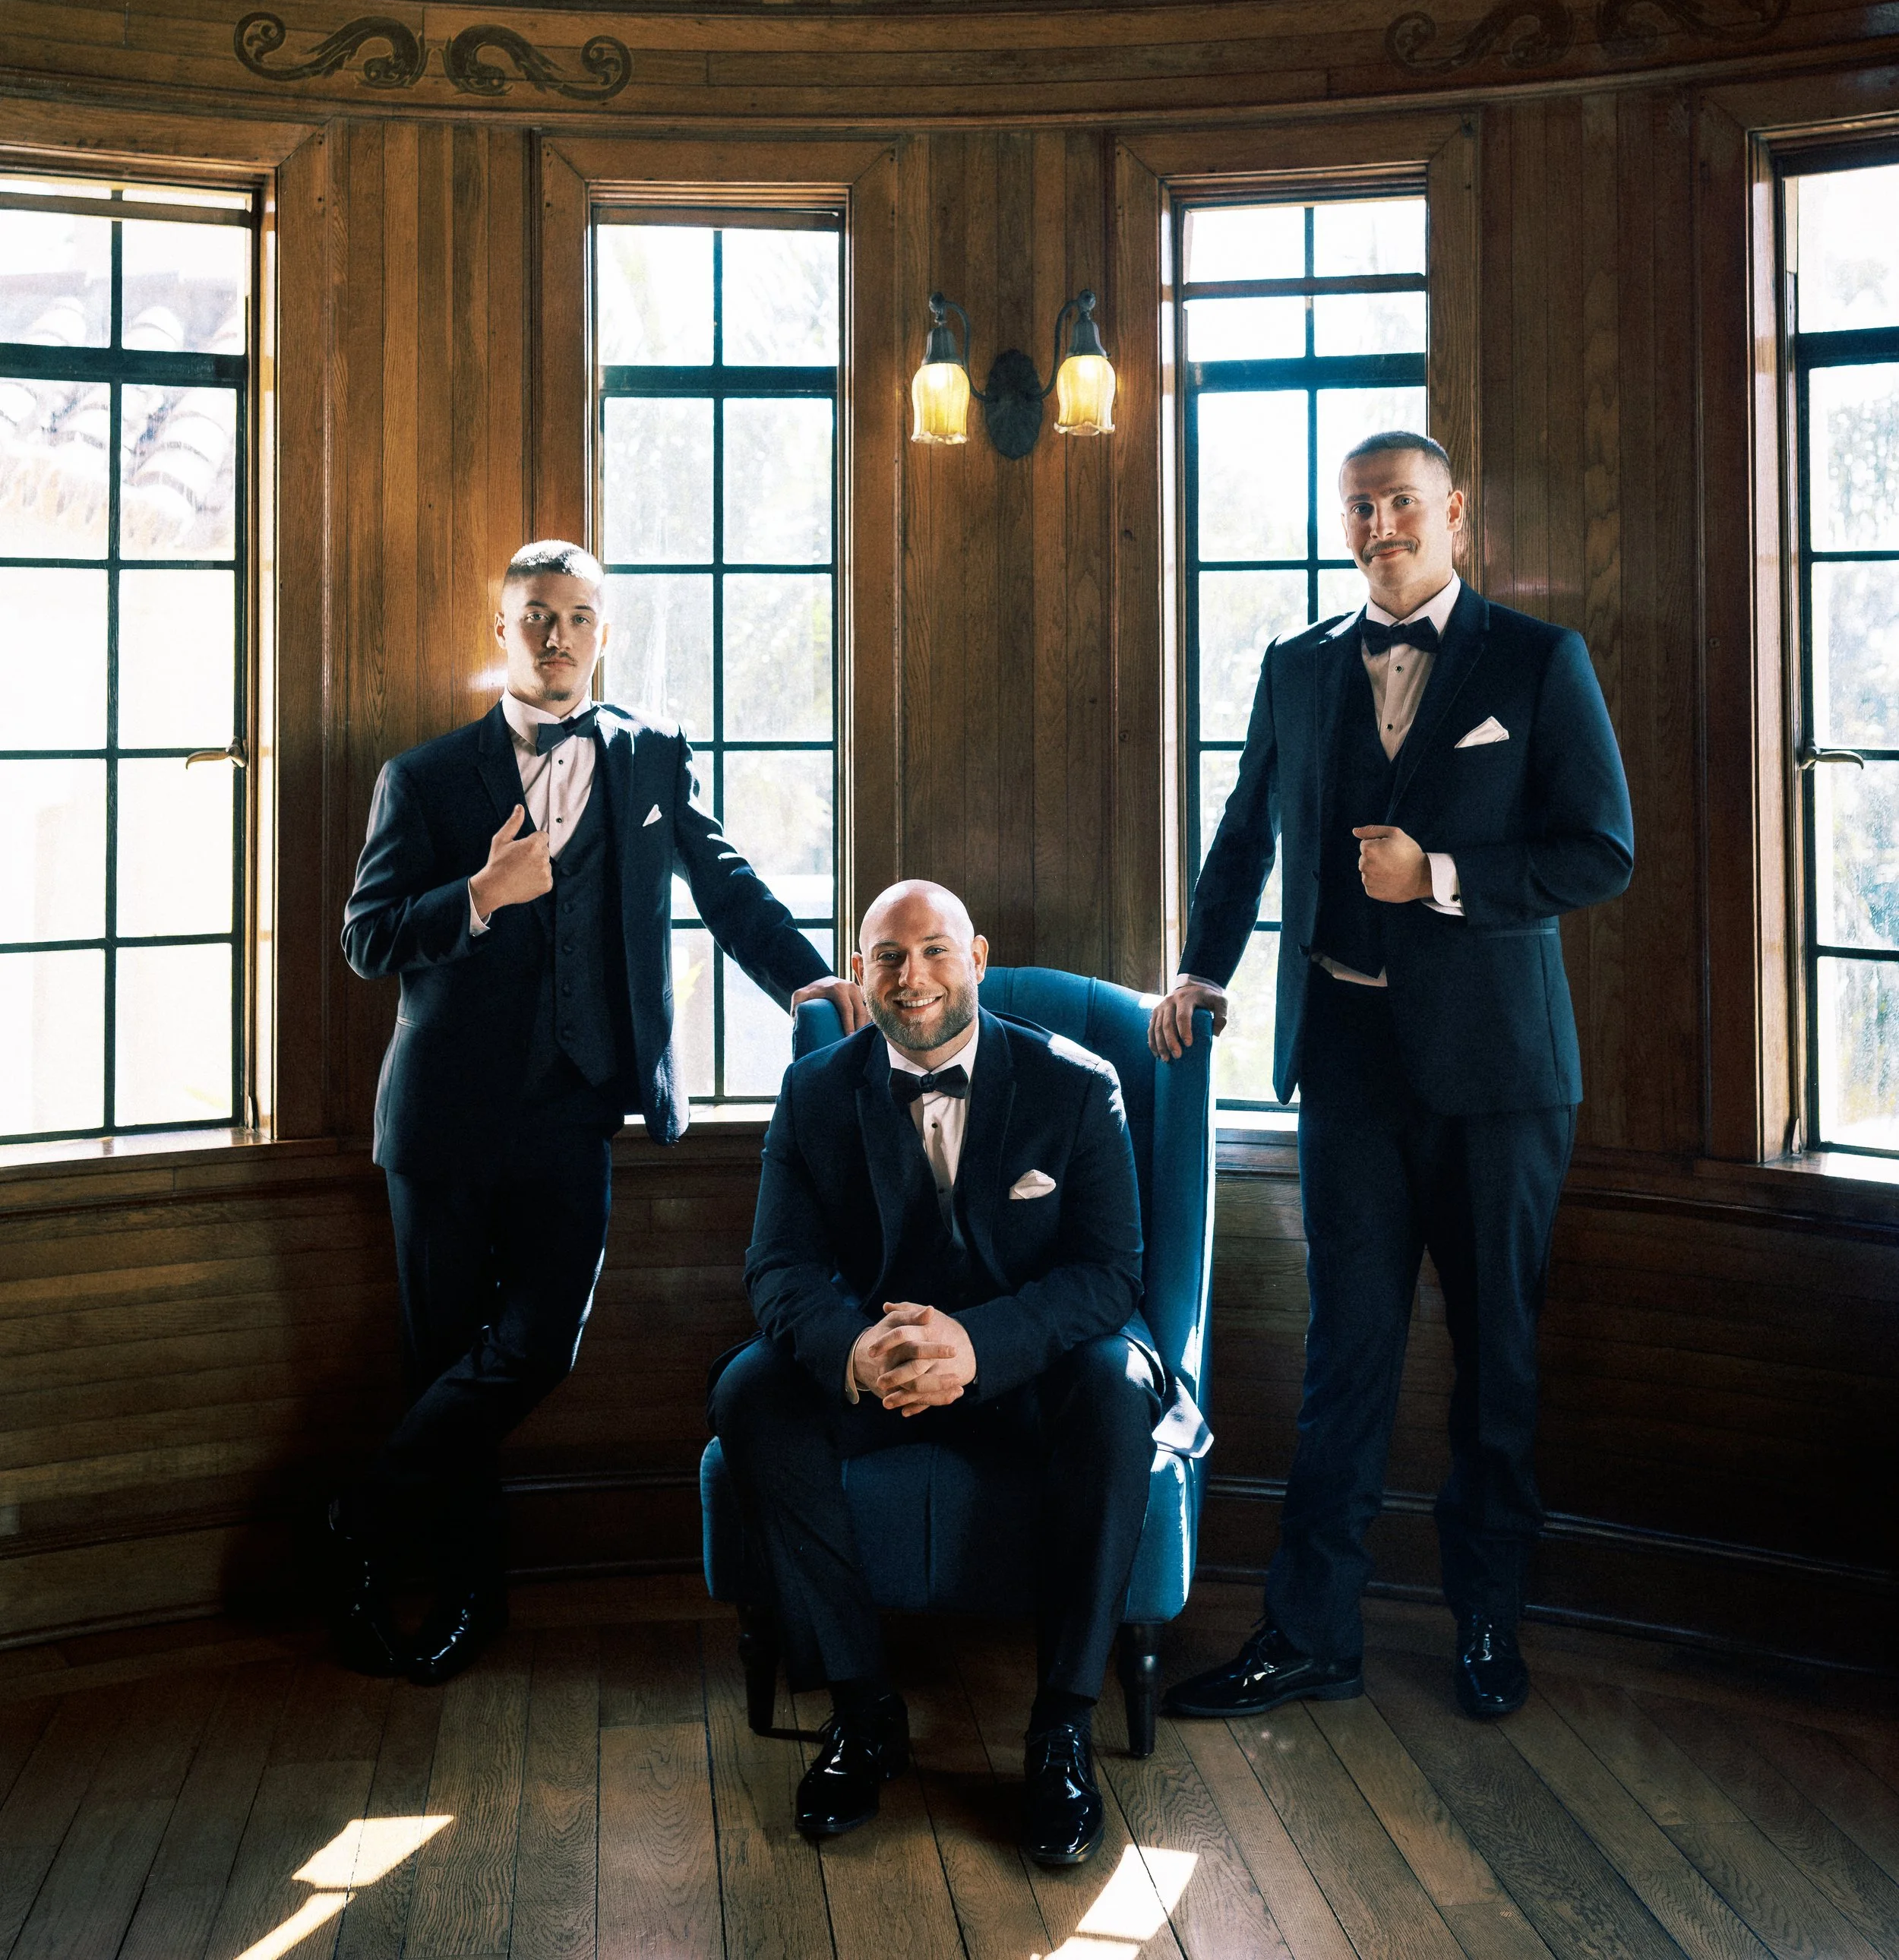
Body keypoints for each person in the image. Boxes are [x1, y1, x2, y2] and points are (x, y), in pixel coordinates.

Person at [1151, 432, 1632, 1724]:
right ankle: (1309, 1635)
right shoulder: (1297, 666)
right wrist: (1199, 970)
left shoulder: (1538, 662)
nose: (1382, 526)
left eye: (1403, 504)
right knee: (1344, 1356)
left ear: (1454, 514)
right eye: (1361, 507)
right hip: (1349, 1066)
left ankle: (1488, 1626)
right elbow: (1245, 831)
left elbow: (1601, 852)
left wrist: (1446, 880)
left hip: (1501, 1079)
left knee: (1498, 1358)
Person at [335, 537, 865, 1685]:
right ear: (503, 632)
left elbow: (726, 885)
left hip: (574, 1115)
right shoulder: (422, 779)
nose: (557, 635)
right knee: (446, 1368)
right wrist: (475, 896)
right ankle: (469, 1601)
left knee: (534, 1348)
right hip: (440, 1125)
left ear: (603, 633)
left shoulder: (648, 761)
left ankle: (357, 1525)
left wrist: (809, 978)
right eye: (535, 615)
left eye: (577, 616)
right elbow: (367, 937)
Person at [712, 879, 1163, 1867]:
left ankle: (1061, 1733)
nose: (911, 978)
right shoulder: (815, 1090)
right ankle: (864, 1713)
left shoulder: (1077, 1083)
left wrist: (981, 1345)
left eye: (934, 952)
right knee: (751, 1391)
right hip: (879, 1372)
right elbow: (778, 1267)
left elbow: (1112, 1273)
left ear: (978, 957)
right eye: (887, 956)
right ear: (862, 971)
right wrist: (854, 1352)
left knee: (1119, 1387)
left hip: (1028, 1374)